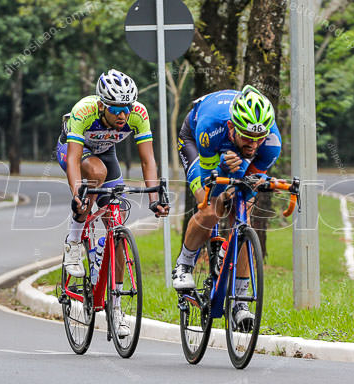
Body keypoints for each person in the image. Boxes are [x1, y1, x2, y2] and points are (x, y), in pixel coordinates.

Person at [56, 69, 168, 337]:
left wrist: (154, 199)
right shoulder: (85, 110)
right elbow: (73, 159)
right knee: (94, 175)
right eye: (116, 109)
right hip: (75, 151)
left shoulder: (138, 114)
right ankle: (73, 242)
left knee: (116, 228)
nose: (122, 115)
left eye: (126, 108)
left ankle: (116, 309)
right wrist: (77, 194)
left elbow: (147, 160)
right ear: (103, 105)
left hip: (107, 154)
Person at [172, 85, 281, 325]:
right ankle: (184, 264)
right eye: (247, 137)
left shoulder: (271, 143)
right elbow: (211, 188)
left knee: (244, 212)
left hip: (232, 152)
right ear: (233, 127)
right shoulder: (210, 127)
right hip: (196, 139)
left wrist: (242, 190)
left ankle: (240, 303)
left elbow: (251, 180)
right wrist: (221, 171)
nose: (253, 145)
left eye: (258, 139)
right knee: (210, 208)